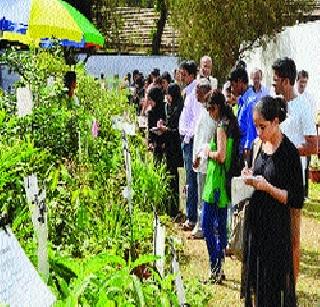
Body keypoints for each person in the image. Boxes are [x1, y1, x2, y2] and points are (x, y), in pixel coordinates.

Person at [241, 96, 303, 306]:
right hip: (256, 226)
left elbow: (294, 198)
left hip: (276, 231)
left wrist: (267, 188)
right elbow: (259, 172)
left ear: (276, 122)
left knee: (273, 288)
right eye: (256, 126)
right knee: (258, 286)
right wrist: (248, 176)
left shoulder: (289, 153)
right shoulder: (259, 146)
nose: (259, 132)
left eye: (263, 126)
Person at [272, 58, 316, 283]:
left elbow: (313, 145)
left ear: (287, 81)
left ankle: (292, 283)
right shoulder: (277, 106)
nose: (274, 84)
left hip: (293, 177)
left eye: (276, 80)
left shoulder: (303, 107)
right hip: (274, 175)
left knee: (292, 233)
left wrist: (289, 151)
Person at [202, 92, 240, 283]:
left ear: (217, 106)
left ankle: (214, 268)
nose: (209, 113)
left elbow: (222, 155)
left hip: (216, 182)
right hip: (223, 181)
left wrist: (208, 152)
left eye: (210, 108)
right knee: (220, 227)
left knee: (208, 226)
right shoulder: (230, 122)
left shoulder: (221, 126)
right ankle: (219, 268)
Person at [191, 77, 217, 238]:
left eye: (199, 92)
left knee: (205, 196)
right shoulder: (203, 110)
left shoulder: (211, 114)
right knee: (202, 196)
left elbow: (208, 140)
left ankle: (203, 226)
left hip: (206, 161)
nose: (196, 95)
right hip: (200, 159)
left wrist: (199, 156)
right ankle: (203, 225)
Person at [179, 60, 201, 230]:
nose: (181, 77)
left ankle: (192, 216)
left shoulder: (195, 93)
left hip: (190, 140)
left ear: (192, 75)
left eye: (184, 74)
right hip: (186, 139)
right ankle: (190, 214)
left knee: (191, 180)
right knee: (188, 179)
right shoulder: (188, 91)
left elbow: (196, 119)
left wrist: (187, 137)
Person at [158, 83, 184, 217]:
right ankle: (171, 208)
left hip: (175, 147)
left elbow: (178, 129)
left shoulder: (180, 107)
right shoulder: (171, 107)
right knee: (171, 178)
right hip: (170, 146)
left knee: (174, 178)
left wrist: (166, 130)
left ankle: (175, 209)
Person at [230, 67, 257, 167]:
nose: (232, 89)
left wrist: (247, 154)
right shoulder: (242, 101)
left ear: (240, 82)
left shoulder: (250, 102)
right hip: (240, 148)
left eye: (233, 85)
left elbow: (251, 130)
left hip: (247, 152)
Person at [147, 87, 166, 161]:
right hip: (156, 141)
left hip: (165, 140)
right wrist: (150, 141)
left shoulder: (165, 109)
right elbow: (150, 127)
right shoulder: (151, 112)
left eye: (151, 100)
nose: (149, 102)